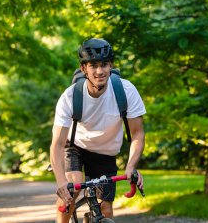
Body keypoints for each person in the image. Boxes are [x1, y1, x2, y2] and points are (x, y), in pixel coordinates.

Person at [50, 38, 146, 222]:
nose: (100, 71)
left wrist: (131, 167)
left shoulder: (126, 91)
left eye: (104, 64)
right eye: (93, 65)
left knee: (106, 210)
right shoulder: (70, 97)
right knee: (70, 193)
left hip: (105, 152)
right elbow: (57, 144)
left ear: (111, 65)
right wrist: (61, 182)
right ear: (84, 68)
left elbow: (137, 134)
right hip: (75, 146)